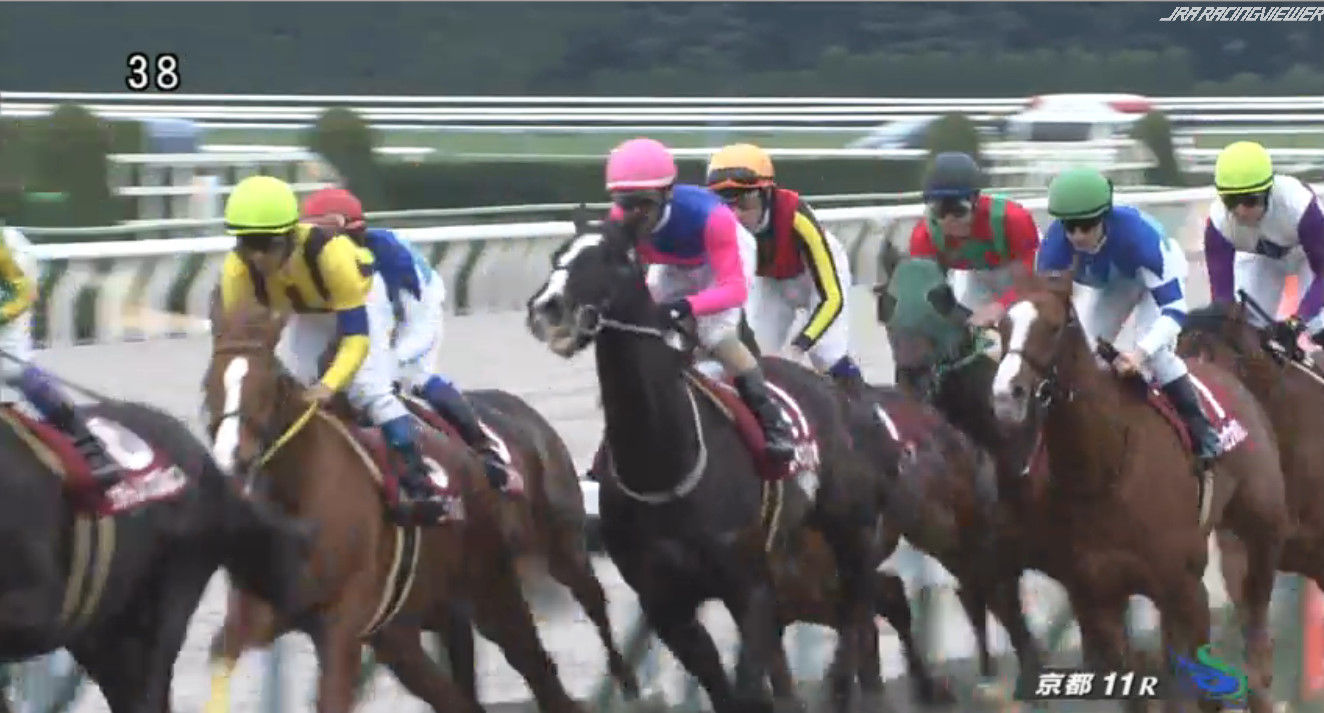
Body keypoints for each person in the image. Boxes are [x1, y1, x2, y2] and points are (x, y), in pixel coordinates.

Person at [217, 175, 446, 523]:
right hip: (306, 309)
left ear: (290, 235)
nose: (258, 257)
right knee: (289, 386)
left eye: (267, 244)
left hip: (361, 300)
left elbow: (356, 338)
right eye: (247, 244)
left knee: (367, 390)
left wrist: (329, 384)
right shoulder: (236, 269)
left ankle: (419, 484)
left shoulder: (332, 254)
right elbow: (243, 342)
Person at [300, 188, 519, 494]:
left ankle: (483, 445)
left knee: (406, 376)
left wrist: (384, 367)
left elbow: (399, 321)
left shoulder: (383, 261)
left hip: (417, 311)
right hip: (379, 315)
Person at [605, 137, 795, 462]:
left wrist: (685, 306)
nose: (635, 214)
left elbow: (734, 290)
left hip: (720, 258)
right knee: (643, 336)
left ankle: (772, 422)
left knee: (715, 336)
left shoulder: (712, 217)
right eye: (626, 203)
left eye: (644, 203)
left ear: (667, 194)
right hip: (674, 262)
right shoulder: (619, 219)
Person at [1036, 167, 1223, 480]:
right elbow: (1048, 307)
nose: (1078, 236)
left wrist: (1139, 353)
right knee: (1086, 353)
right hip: (1114, 284)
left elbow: (1175, 311)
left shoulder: (1140, 239)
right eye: (1069, 226)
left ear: (1104, 217)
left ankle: (1202, 430)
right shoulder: (1053, 248)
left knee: (1156, 356)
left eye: (1086, 226)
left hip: (1154, 281)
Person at [704, 143, 865, 392]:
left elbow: (832, 298)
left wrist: (800, 345)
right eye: (724, 203)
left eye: (745, 201)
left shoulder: (797, 218)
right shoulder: (714, 225)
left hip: (817, 279)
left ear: (767, 194)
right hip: (772, 281)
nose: (735, 215)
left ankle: (861, 400)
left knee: (826, 354)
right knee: (760, 357)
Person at [0, 224, 122, 489]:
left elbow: (22, 291)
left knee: (12, 370)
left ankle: (88, 445)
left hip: (6, 313)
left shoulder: (6, 243)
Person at [1204, 140, 1324, 349]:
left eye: (1250, 200)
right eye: (1230, 201)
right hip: (1260, 259)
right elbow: (1222, 297)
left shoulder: (1300, 206)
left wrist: (1298, 320)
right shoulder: (1218, 223)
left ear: (1269, 191)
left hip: (1306, 256)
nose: (1240, 211)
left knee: (1317, 325)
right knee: (1248, 326)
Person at [907, 151, 1041, 328]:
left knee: (1022, 320)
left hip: (1023, 270)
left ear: (975, 202)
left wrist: (1001, 306)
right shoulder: (924, 236)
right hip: (977, 274)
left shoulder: (1014, 220)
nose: (950, 221)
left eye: (959, 210)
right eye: (940, 211)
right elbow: (926, 293)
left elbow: (1029, 283)